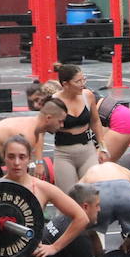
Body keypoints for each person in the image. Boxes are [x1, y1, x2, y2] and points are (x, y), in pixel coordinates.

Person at [0, 96, 67, 190]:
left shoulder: (36, 124)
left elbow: (40, 136)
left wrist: (39, 163)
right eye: (60, 121)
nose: (62, 125)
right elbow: (18, 169)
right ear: (48, 118)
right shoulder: (26, 134)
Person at [46, 63, 109, 191]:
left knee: (92, 192)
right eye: (77, 81)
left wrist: (102, 146)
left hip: (87, 151)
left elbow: (95, 121)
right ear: (65, 84)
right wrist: (38, 162)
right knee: (68, 197)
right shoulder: (54, 102)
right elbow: (41, 131)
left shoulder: (87, 95)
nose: (82, 84)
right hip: (64, 153)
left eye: (83, 80)